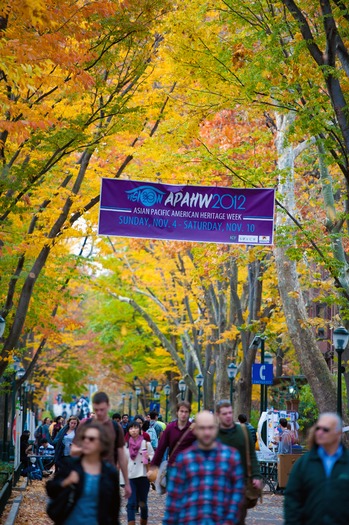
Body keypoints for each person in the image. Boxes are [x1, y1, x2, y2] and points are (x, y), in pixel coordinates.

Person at [163, 411, 244, 525]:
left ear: (217, 429)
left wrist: (229, 520)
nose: (207, 432)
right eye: (202, 428)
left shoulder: (231, 457)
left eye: (210, 428)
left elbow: (237, 494)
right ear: (195, 430)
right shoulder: (184, 459)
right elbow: (174, 498)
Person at [46, 421, 119, 525]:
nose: (87, 441)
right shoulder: (71, 466)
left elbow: (114, 510)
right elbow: (51, 490)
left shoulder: (110, 473)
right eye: (84, 438)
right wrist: (66, 482)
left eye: (92, 439)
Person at [284, 412, 349, 525]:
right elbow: (292, 499)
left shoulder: (346, 462)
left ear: (338, 433)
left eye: (326, 429)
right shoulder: (304, 464)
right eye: (318, 428)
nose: (320, 432)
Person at [71, 391, 131, 506]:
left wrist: (126, 482)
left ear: (108, 406)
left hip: (108, 477)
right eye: (96, 409)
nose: (99, 413)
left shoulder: (115, 427)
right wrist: (88, 448)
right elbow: (73, 450)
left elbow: (121, 455)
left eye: (102, 409)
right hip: (87, 477)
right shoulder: (85, 425)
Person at [216, 400, 262, 525]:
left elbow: (252, 455)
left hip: (241, 483)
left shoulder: (243, 431)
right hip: (219, 484)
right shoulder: (214, 434)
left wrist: (256, 475)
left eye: (230, 412)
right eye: (224, 413)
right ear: (218, 415)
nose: (228, 416)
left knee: (238, 518)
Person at [147, 401, 196, 478]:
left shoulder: (193, 430)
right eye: (181, 411)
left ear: (189, 413)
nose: (183, 414)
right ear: (177, 412)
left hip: (189, 467)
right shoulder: (170, 428)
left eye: (186, 412)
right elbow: (161, 448)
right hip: (173, 466)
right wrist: (153, 466)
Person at [125, 421, 154, 525]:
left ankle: (143, 521)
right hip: (130, 477)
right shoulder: (125, 445)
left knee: (143, 504)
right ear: (128, 430)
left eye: (135, 428)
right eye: (131, 428)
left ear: (140, 429)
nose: (133, 430)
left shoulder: (146, 443)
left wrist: (149, 458)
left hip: (143, 475)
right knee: (131, 503)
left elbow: (153, 455)